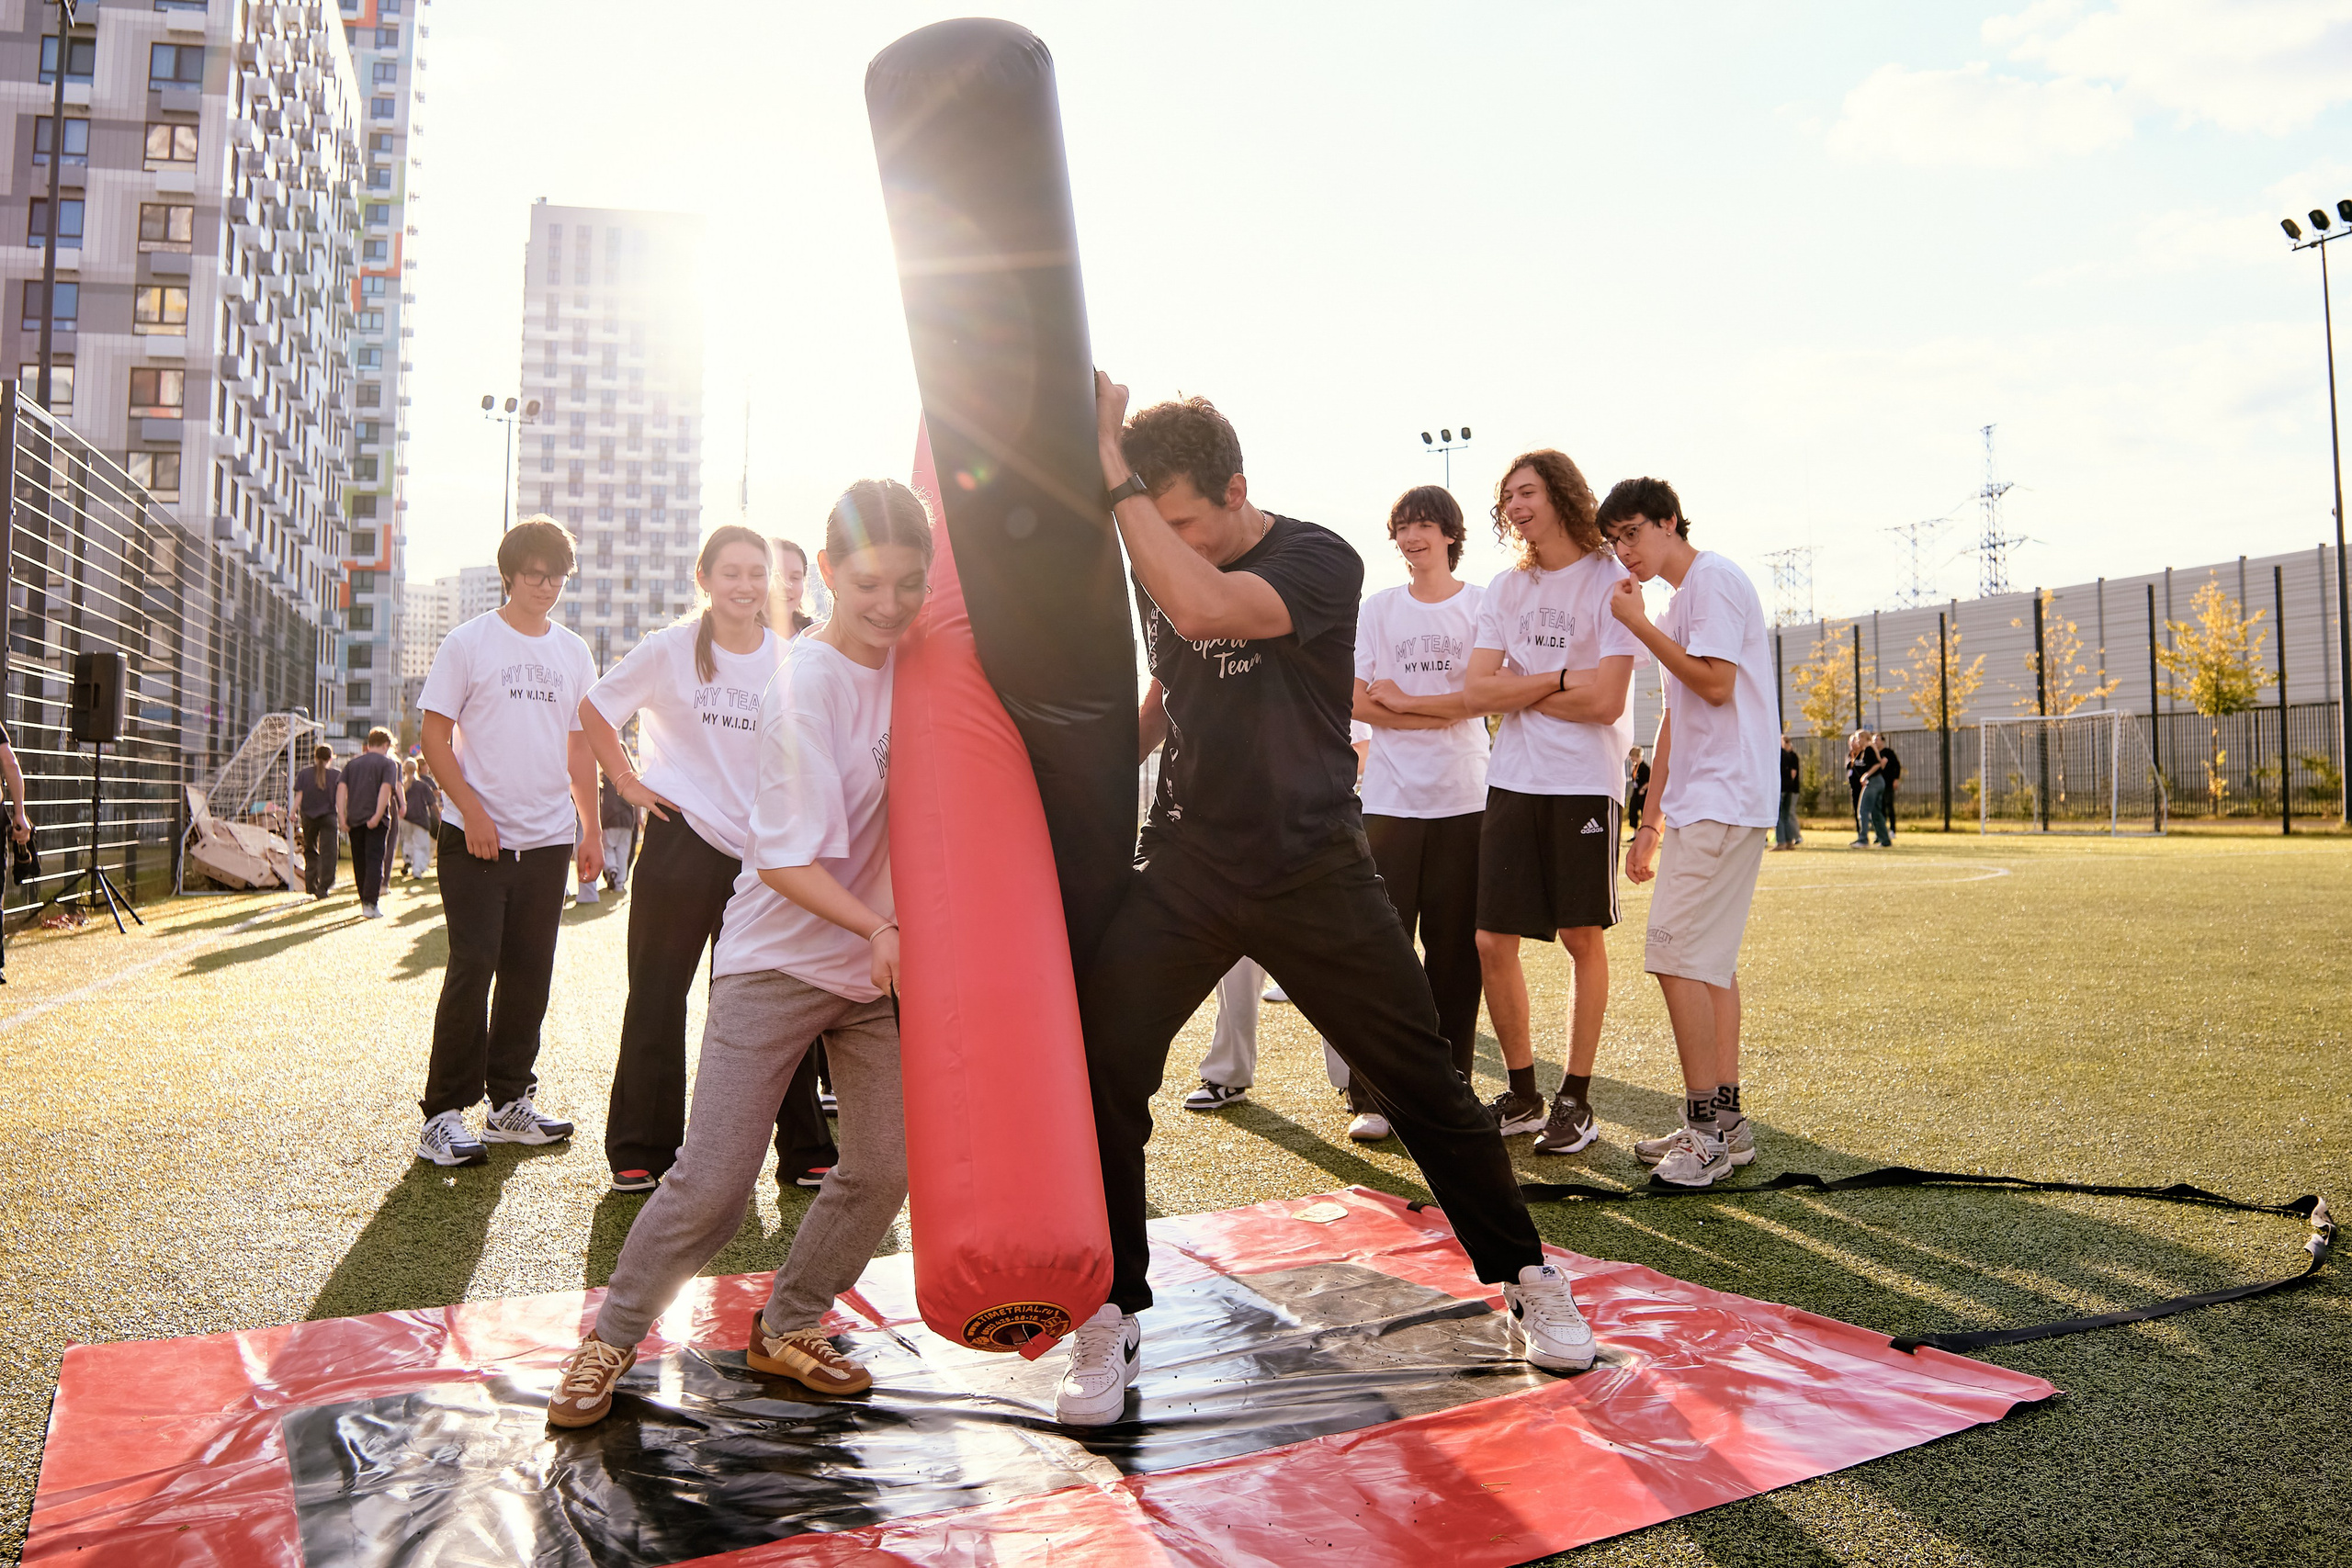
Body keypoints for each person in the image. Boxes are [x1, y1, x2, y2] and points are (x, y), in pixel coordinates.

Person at [1056, 378, 1596, 1429]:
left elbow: (1206, 609)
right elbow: (1173, 679)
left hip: (1311, 866)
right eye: (1157, 527)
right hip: (1189, 864)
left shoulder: (1318, 558)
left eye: (1184, 524)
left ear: (1236, 490)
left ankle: (1528, 1275)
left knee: (1424, 1082)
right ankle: (1112, 1308)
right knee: (1101, 1071)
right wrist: (1086, 772)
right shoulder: (1160, 546)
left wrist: (1112, 467)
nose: (1168, 545)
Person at [547, 481, 930, 1427]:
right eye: (869, 583)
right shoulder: (805, 686)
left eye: (909, 584)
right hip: (779, 959)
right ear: (827, 574)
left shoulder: (920, 659)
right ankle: (608, 1339)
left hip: (870, 970)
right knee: (713, 1187)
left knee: (883, 1170)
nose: (889, 605)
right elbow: (786, 861)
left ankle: (788, 1323)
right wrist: (881, 928)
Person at [582, 525, 798, 1195]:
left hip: (761, 856)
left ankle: (801, 1149)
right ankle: (640, 1149)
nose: (745, 585)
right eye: (730, 571)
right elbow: (594, 710)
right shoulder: (668, 648)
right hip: (680, 841)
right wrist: (626, 782)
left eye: (756, 572)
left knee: (765, 1002)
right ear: (703, 577)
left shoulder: (789, 657)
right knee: (657, 995)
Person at [1463, 450, 1645, 1157]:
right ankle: (1523, 1095)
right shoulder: (1506, 588)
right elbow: (1477, 692)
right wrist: (1563, 677)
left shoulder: (1612, 579)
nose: (1514, 506)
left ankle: (1576, 1098)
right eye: (1507, 496)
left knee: (1579, 936)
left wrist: (1524, 686)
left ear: (1562, 495)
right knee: (1490, 940)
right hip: (1513, 778)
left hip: (1583, 783)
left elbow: (1607, 701)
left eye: (1527, 492)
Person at [1600, 478, 1778, 1190]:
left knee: (1675, 955)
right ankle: (1725, 1124)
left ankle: (1705, 1135)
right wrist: (1650, 819)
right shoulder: (1681, 602)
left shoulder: (1715, 579)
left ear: (1670, 521)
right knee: (1708, 964)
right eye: (1615, 540)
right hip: (1712, 796)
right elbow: (1676, 712)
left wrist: (1637, 625)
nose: (1624, 550)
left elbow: (1715, 683)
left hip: (1726, 794)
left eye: (1633, 532)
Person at [413, 517, 603, 1168]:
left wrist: (590, 826)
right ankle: (442, 1114)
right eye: (534, 574)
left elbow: (580, 749)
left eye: (557, 577)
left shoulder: (573, 652)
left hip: (548, 840)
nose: (546, 586)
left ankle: (509, 1103)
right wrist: (472, 810)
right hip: (476, 839)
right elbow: (433, 736)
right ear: (509, 574)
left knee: (530, 972)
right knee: (473, 967)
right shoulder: (468, 642)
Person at [1351, 484, 1490, 1143]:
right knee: (1383, 953)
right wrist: (1426, 711)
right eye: (1403, 527)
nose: (1411, 537)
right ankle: (1374, 1095)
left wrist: (1404, 702)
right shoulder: (1378, 608)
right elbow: (1355, 697)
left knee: (1456, 957)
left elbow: (1482, 698)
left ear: (1450, 534)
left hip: (1466, 799)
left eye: (1424, 525)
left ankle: (1451, 1088)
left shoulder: (1482, 605)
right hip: (1389, 803)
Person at [339, 727, 400, 919]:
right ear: (386, 745)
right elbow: (385, 789)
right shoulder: (388, 764)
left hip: (354, 817)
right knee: (374, 860)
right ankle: (370, 903)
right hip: (376, 820)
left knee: (359, 861)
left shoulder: (352, 764)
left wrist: (342, 817)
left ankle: (364, 900)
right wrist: (377, 815)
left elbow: (341, 789)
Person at [294, 744, 342, 899]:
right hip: (329, 816)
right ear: (331, 758)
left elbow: (299, 795)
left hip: (308, 816)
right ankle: (323, 886)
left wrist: (292, 812)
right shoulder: (336, 775)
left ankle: (311, 884)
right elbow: (340, 798)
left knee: (310, 850)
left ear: (315, 757)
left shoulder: (304, 774)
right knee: (329, 852)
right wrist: (343, 816)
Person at [399, 758, 437, 879]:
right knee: (421, 844)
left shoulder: (402, 786)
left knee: (408, 841)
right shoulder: (422, 785)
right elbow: (432, 803)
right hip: (420, 818)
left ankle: (407, 858)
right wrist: (438, 816)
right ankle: (417, 869)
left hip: (405, 818)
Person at [1853, 733, 1890, 848]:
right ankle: (1885, 841)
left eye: (1858, 738)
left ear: (1864, 738)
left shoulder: (1869, 749)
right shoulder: (1866, 750)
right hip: (1878, 782)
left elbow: (1877, 764)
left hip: (1874, 782)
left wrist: (1866, 775)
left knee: (1863, 810)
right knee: (1876, 813)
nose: (1857, 740)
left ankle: (1863, 840)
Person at [1775, 736, 1804, 850]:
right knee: (1786, 815)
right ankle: (1789, 841)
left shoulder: (1777, 754)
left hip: (1781, 788)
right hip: (1790, 787)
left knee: (1779, 815)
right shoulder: (1789, 755)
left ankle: (1781, 842)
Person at [1876, 733, 1901, 839]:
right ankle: (1882, 831)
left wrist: (1896, 779)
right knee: (1880, 807)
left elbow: (1897, 766)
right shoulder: (1874, 753)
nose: (1875, 742)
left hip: (1888, 783)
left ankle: (1892, 830)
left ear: (1882, 741)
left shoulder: (1889, 753)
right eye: (1874, 740)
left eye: (1877, 739)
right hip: (1877, 784)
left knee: (1889, 805)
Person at [1625, 746, 1650, 839]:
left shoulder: (1645, 767)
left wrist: (1643, 788)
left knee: (1644, 813)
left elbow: (1649, 780)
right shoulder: (1635, 767)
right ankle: (1635, 834)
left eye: (1632, 756)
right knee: (1633, 811)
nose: (1631, 758)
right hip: (1635, 792)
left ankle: (1644, 833)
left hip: (1643, 794)